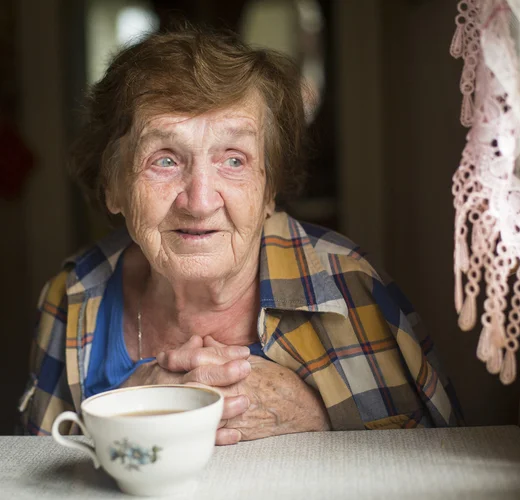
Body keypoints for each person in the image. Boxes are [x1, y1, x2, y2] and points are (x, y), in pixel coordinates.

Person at [19, 27, 461, 444]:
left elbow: (444, 458)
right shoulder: (75, 295)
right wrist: (126, 411)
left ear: (269, 189)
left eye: (234, 160)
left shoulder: (349, 289)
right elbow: (37, 471)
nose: (199, 200)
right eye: (165, 160)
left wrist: (320, 416)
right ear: (113, 185)